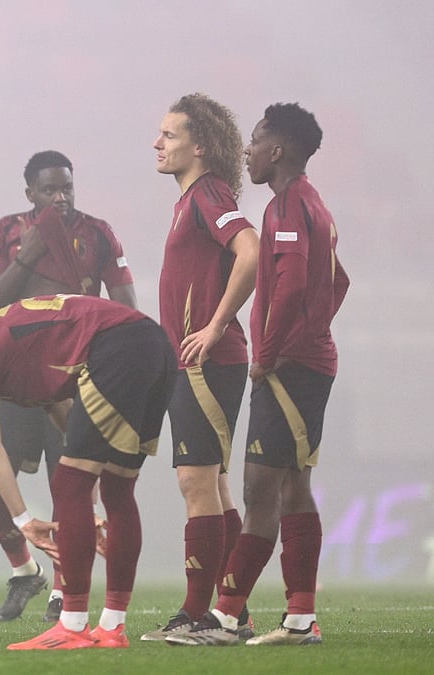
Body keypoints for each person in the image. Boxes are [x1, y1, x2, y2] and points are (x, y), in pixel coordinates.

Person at [167, 103, 348, 647]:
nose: (247, 150)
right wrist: (313, 333)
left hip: (290, 365)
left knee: (259, 489)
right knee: (292, 488)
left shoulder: (289, 206)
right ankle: (298, 618)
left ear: (279, 150)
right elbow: (339, 282)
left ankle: (222, 618)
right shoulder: (305, 203)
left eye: (256, 140)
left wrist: (268, 353)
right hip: (305, 360)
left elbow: (291, 286)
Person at [0, 294, 176, 650]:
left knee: (68, 484)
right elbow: (67, 423)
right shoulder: (21, 360)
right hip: (154, 345)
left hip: (118, 347)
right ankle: (112, 627)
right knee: (116, 489)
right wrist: (85, 516)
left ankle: (72, 625)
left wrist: (25, 521)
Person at [0, 149, 138, 623]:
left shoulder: (98, 233)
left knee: (68, 481)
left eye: (67, 187)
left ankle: (64, 585)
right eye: (49, 189)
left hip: (75, 377)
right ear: (30, 193)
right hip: (19, 376)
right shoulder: (7, 233)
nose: (61, 197)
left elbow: (126, 306)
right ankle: (24, 571)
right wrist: (25, 258)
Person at [142, 93, 260, 642]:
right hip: (194, 364)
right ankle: (229, 613)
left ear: (201, 145)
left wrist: (214, 327)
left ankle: (197, 614)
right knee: (213, 483)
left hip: (208, 362)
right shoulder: (188, 197)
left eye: (169, 135)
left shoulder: (209, 193)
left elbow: (251, 250)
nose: (158, 143)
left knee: (197, 480)